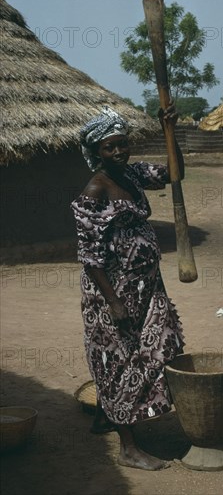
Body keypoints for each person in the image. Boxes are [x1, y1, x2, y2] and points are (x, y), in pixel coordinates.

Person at [71, 105, 185, 471]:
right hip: (114, 293)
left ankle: (106, 414)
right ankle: (129, 448)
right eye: (110, 147)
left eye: (122, 144)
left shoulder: (133, 175)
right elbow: (90, 257)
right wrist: (114, 303)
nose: (119, 152)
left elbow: (174, 173)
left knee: (155, 345)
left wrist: (171, 132)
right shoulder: (94, 192)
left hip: (146, 286)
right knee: (121, 361)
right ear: (96, 153)